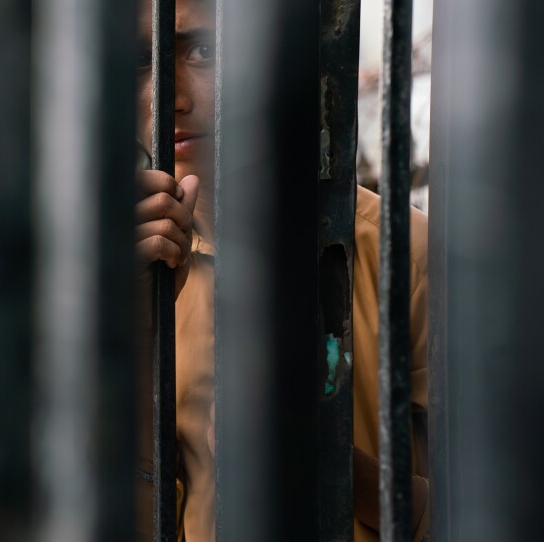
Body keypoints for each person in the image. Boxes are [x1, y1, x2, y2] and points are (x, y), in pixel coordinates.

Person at [134, 1, 430, 540]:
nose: (169, 98)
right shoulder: (121, 269)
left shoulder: (404, 253)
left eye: (204, 50)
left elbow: (490, 507)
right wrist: (137, 337)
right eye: (141, 61)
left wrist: (326, 455)